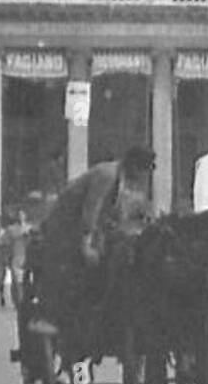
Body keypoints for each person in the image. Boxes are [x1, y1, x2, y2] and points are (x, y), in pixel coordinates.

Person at [36, 147, 156, 358]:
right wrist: (86, 245)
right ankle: (60, 315)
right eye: (145, 170)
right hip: (65, 228)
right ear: (136, 166)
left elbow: (114, 212)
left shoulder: (119, 178)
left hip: (86, 227)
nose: (145, 176)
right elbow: (91, 209)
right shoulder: (107, 175)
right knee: (82, 267)